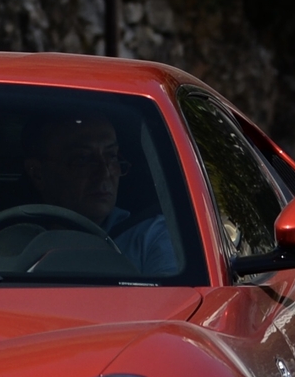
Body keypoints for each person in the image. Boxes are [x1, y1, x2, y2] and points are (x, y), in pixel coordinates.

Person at [22, 114, 182, 275]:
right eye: (82, 158)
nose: (104, 172)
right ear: (38, 174)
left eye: (112, 156)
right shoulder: (10, 241)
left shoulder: (151, 236)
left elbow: (175, 298)